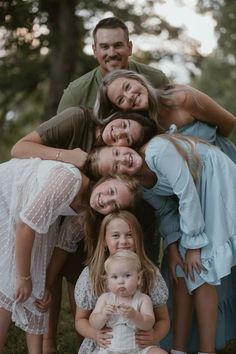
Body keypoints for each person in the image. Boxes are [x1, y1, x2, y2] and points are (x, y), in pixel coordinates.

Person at [11, 107, 156, 354]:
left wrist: (45, 282)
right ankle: (49, 345)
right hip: (26, 203)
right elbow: (18, 150)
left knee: (53, 269)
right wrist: (67, 156)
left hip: (58, 217)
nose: (120, 137)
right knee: (17, 280)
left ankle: (71, 344)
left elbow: (64, 243)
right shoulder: (79, 123)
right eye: (118, 151)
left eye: (128, 141)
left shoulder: (89, 208)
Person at [83, 135, 236, 354]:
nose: (123, 163)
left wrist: (192, 246)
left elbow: (187, 195)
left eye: (112, 193)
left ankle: (206, 350)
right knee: (183, 269)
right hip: (196, 200)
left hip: (215, 182)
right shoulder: (141, 187)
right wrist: (173, 246)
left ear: (112, 179)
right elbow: (166, 211)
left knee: (203, 265)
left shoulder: (157, 151)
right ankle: (178, 349)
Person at [0, 155, 139, 354]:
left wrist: (46, 285)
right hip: (6, 197)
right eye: (110, 191)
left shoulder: (85, 213)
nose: (105, 200)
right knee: (8, 282)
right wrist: (23, 277)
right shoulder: (69, 180)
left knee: (38, 284)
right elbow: (25, 226)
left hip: (27, 218)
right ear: (105, 180)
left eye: (113, 205)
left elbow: (62, 246)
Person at [75, 210, 170, 354]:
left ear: (138, 238)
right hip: (105, 346)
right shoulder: (92, 273)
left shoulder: (149, 272)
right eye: (115, 235)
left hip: (140, 345)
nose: (123, 241)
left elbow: (163, 319)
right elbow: (80, 320)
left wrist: (155, 335)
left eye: (130, 235)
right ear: (104, 241)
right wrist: (94, 334)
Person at [93, 69, 236, 164]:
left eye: (127, 87)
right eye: (121, 100)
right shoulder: (136, 135)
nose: (129, 96)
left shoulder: (182, 98)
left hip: (227, 161)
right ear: (121, 110)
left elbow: (228, 123)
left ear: (137, 80)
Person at [57, 17, 169, 112]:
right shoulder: (75, 94)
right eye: (104, 47)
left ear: (129, 48)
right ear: (95, 51)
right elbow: (57, 137)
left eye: (118, 45)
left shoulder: (156, 80)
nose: (112, 53)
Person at [89, 250, 168, 354]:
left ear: (138, 278)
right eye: (115, 277)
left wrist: (135, 315)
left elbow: (148, 323)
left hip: (139, 350)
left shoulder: (143, 299)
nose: (121, 281)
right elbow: (94, 323)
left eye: (127, 275)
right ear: (107, 281)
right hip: (109, 350)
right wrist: (103, 315)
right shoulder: (105, 299)